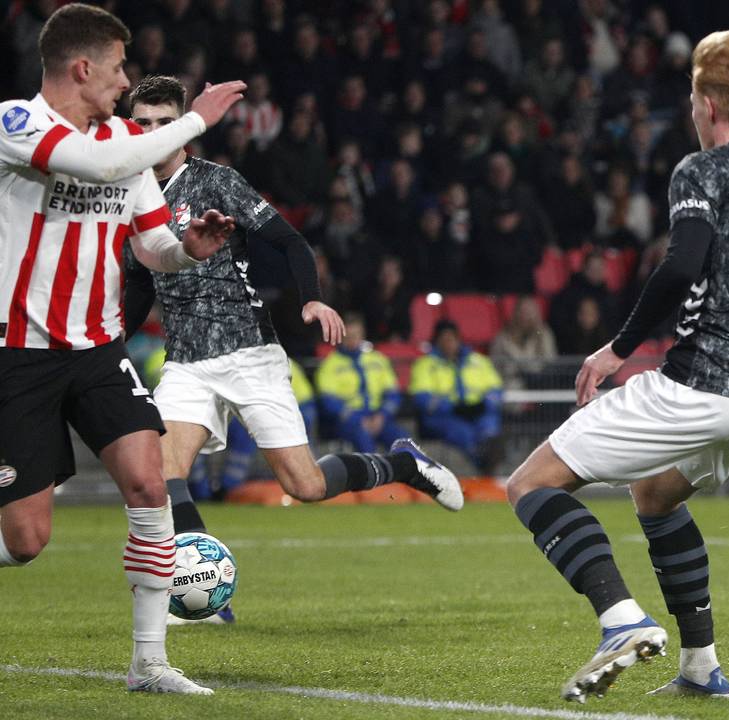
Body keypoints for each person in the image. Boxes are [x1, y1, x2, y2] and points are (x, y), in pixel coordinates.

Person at [503, 31, 729, 703]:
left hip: (703, 379)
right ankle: (700, 668)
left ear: (712, 103)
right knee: (657, 496)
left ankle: (619, 620)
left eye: (693, 96)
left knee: (530, 483)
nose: (691, 109)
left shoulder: (703, 169)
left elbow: (681, 264)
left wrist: (618, 349)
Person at [123, 76, 463, 625]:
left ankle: (401, 463)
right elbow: (141, 283)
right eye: (143, 124)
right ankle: (208, 597)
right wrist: (112, 343)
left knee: (303, 485)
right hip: (186, 360)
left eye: (165, 122)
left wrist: (311, 301)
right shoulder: (131, 194)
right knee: (161, 476)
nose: (154, 133)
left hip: (248, 353)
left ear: (184, 128)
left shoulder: (216, 182)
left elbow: (289, 240)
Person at [0, 3, 247, 695]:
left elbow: (152, 247)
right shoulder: (17, 123)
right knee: (26, 541)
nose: (123, 81)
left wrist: (188, 250)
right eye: (116, 68)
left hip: (99, 349)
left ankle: (149, 662)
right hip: (18, 351)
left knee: (147, 482)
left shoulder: (122, 143)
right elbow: (96, 162)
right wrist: (196, 119)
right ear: (82, 67)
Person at [410, 320, 504, 471]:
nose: (449, 344)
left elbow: (496, 390)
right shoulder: (426, 364)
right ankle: (485, 468)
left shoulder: (479, 361)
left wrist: (482, 405)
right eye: (444, 340)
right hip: (442, 416)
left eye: (452, 339)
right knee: (463, 433)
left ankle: (487, 462)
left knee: (489, 427)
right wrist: (452, 407)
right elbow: (422, 399)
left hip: (476, 412)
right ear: (437, 341)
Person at [315, 312, 413, 454]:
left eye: (356, 336)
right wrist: (358, 419)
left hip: (378, 415)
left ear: (362, 335)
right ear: (340, 337)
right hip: (349, 421)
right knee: (365, 441)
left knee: (404, 442)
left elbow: (393, 393)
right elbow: (328, 402)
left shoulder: (378, 359)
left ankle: (405, 475)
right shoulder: (330, 365)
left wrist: (382, 415)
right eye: (348, 337)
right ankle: (375, 476)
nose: (352, 340)